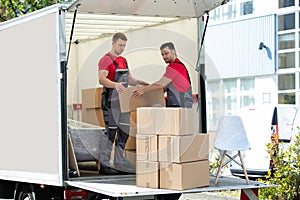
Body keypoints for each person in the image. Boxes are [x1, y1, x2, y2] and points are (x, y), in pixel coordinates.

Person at [98, 32, 148, 175]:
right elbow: (101, 79)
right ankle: (104, 165)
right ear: (113, 43)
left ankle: (119, 162)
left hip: (124, 102)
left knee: (124, 132)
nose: (122, 48)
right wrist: (114, 85)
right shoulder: (105, 60)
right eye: (120, 45)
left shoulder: (124, 60)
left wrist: (139, 82)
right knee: (111, 132)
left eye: (124, 46)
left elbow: (129, 79)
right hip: (110, 102)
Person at [133, 42, 193, 108]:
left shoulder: (175, 66)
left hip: (180, 105)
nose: (164, 57)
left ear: (173, 51)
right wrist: (148, 87)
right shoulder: (179, 66)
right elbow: (163, 88)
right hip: (182, 105)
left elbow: (160, 85)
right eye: (162, 55)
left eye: (166, 53)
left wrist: (143, 90)